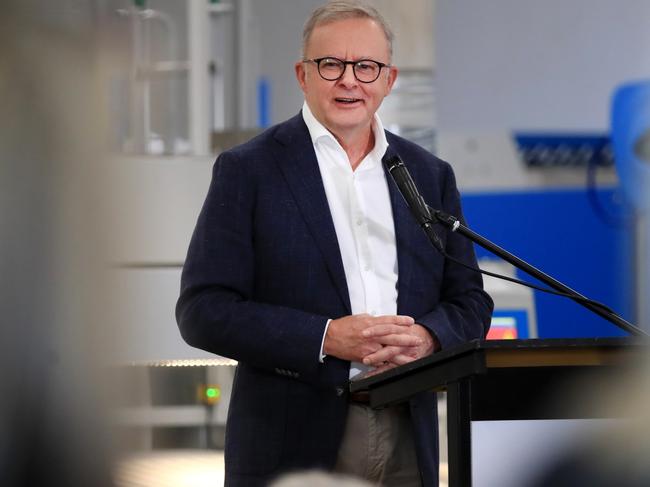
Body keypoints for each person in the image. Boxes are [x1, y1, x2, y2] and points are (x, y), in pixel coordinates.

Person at [176, 1, 493, 485]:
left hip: (410, 428)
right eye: (331, 64)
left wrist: (429, 337)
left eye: (366, 67)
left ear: (388, 80)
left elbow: (469, 300)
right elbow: (203, 310)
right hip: (293, 440)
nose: (350, 80)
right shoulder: (250, 170)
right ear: (303, 75)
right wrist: (324, 338)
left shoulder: (427, 175)